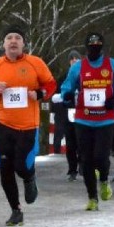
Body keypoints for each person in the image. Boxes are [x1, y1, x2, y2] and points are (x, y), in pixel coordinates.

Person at [0, 26, 56, 226]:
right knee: (5, 169)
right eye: (9, 38)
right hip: (3, 125)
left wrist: (39, 94)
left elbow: (50, 84)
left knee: (21, 166)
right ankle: (16, 210)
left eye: (17, 38)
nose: (13, 41)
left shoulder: (35, 63)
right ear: (3, 44)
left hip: (28, 125)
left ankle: (29, 176)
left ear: (23, 43)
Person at [60, 31, 114, 210]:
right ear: (86, 47)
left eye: (98, 44)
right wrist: (68, 96)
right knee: (86, 160)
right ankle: (92, 197)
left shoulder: (113, 65)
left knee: (101, 157)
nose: (94, 47)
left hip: (105, 120)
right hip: (83, 119)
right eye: (91, 45)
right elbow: (66, 86)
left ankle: (103, 180)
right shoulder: (78, 67)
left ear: (102, 46)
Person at [51, 50, 82, 179]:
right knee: (70, 143)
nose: (74, 60)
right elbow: (56, 96)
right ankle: (72, 170)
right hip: (69, 113)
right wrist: (64, 99)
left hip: (84, 113)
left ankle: (83, 165)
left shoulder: (86, 75)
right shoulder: (64, 76)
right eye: (72, 59)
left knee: (83, 142)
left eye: (76, 58)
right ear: (69, 62)